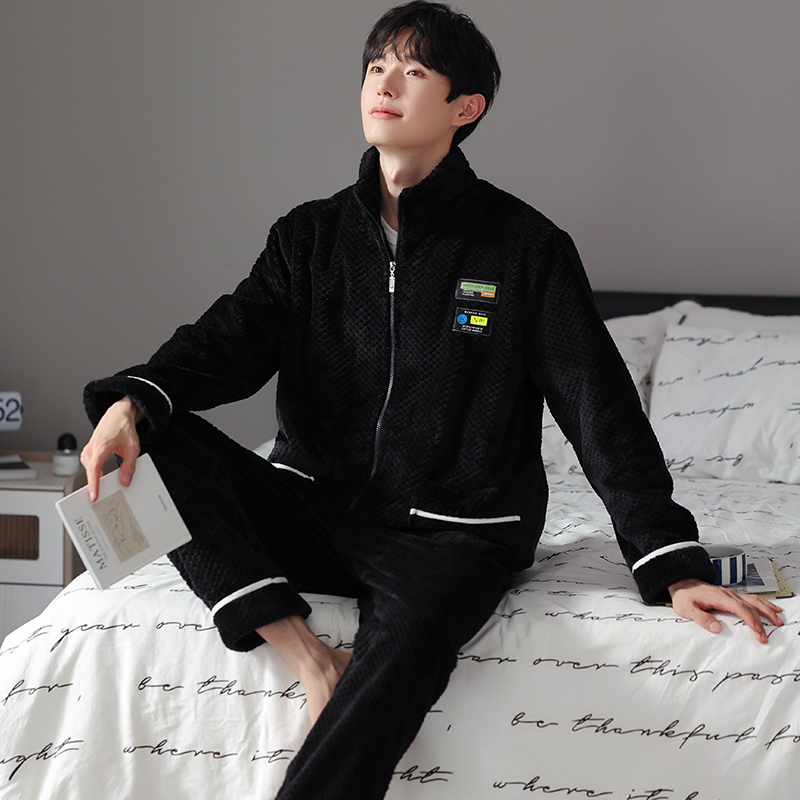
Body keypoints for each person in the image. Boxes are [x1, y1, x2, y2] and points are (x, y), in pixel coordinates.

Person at [80, 3, 784, 798]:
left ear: (464, 107)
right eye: (376, 66)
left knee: (408, 641)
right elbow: (224, 343)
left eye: (413, 71)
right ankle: (308, 655)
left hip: (456, 532)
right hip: (315, 509)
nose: (385, 84)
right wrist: (131, 405)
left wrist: (671, 563)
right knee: (143, 429)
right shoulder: (308, 238)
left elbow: (599, 406)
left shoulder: (523, 248)